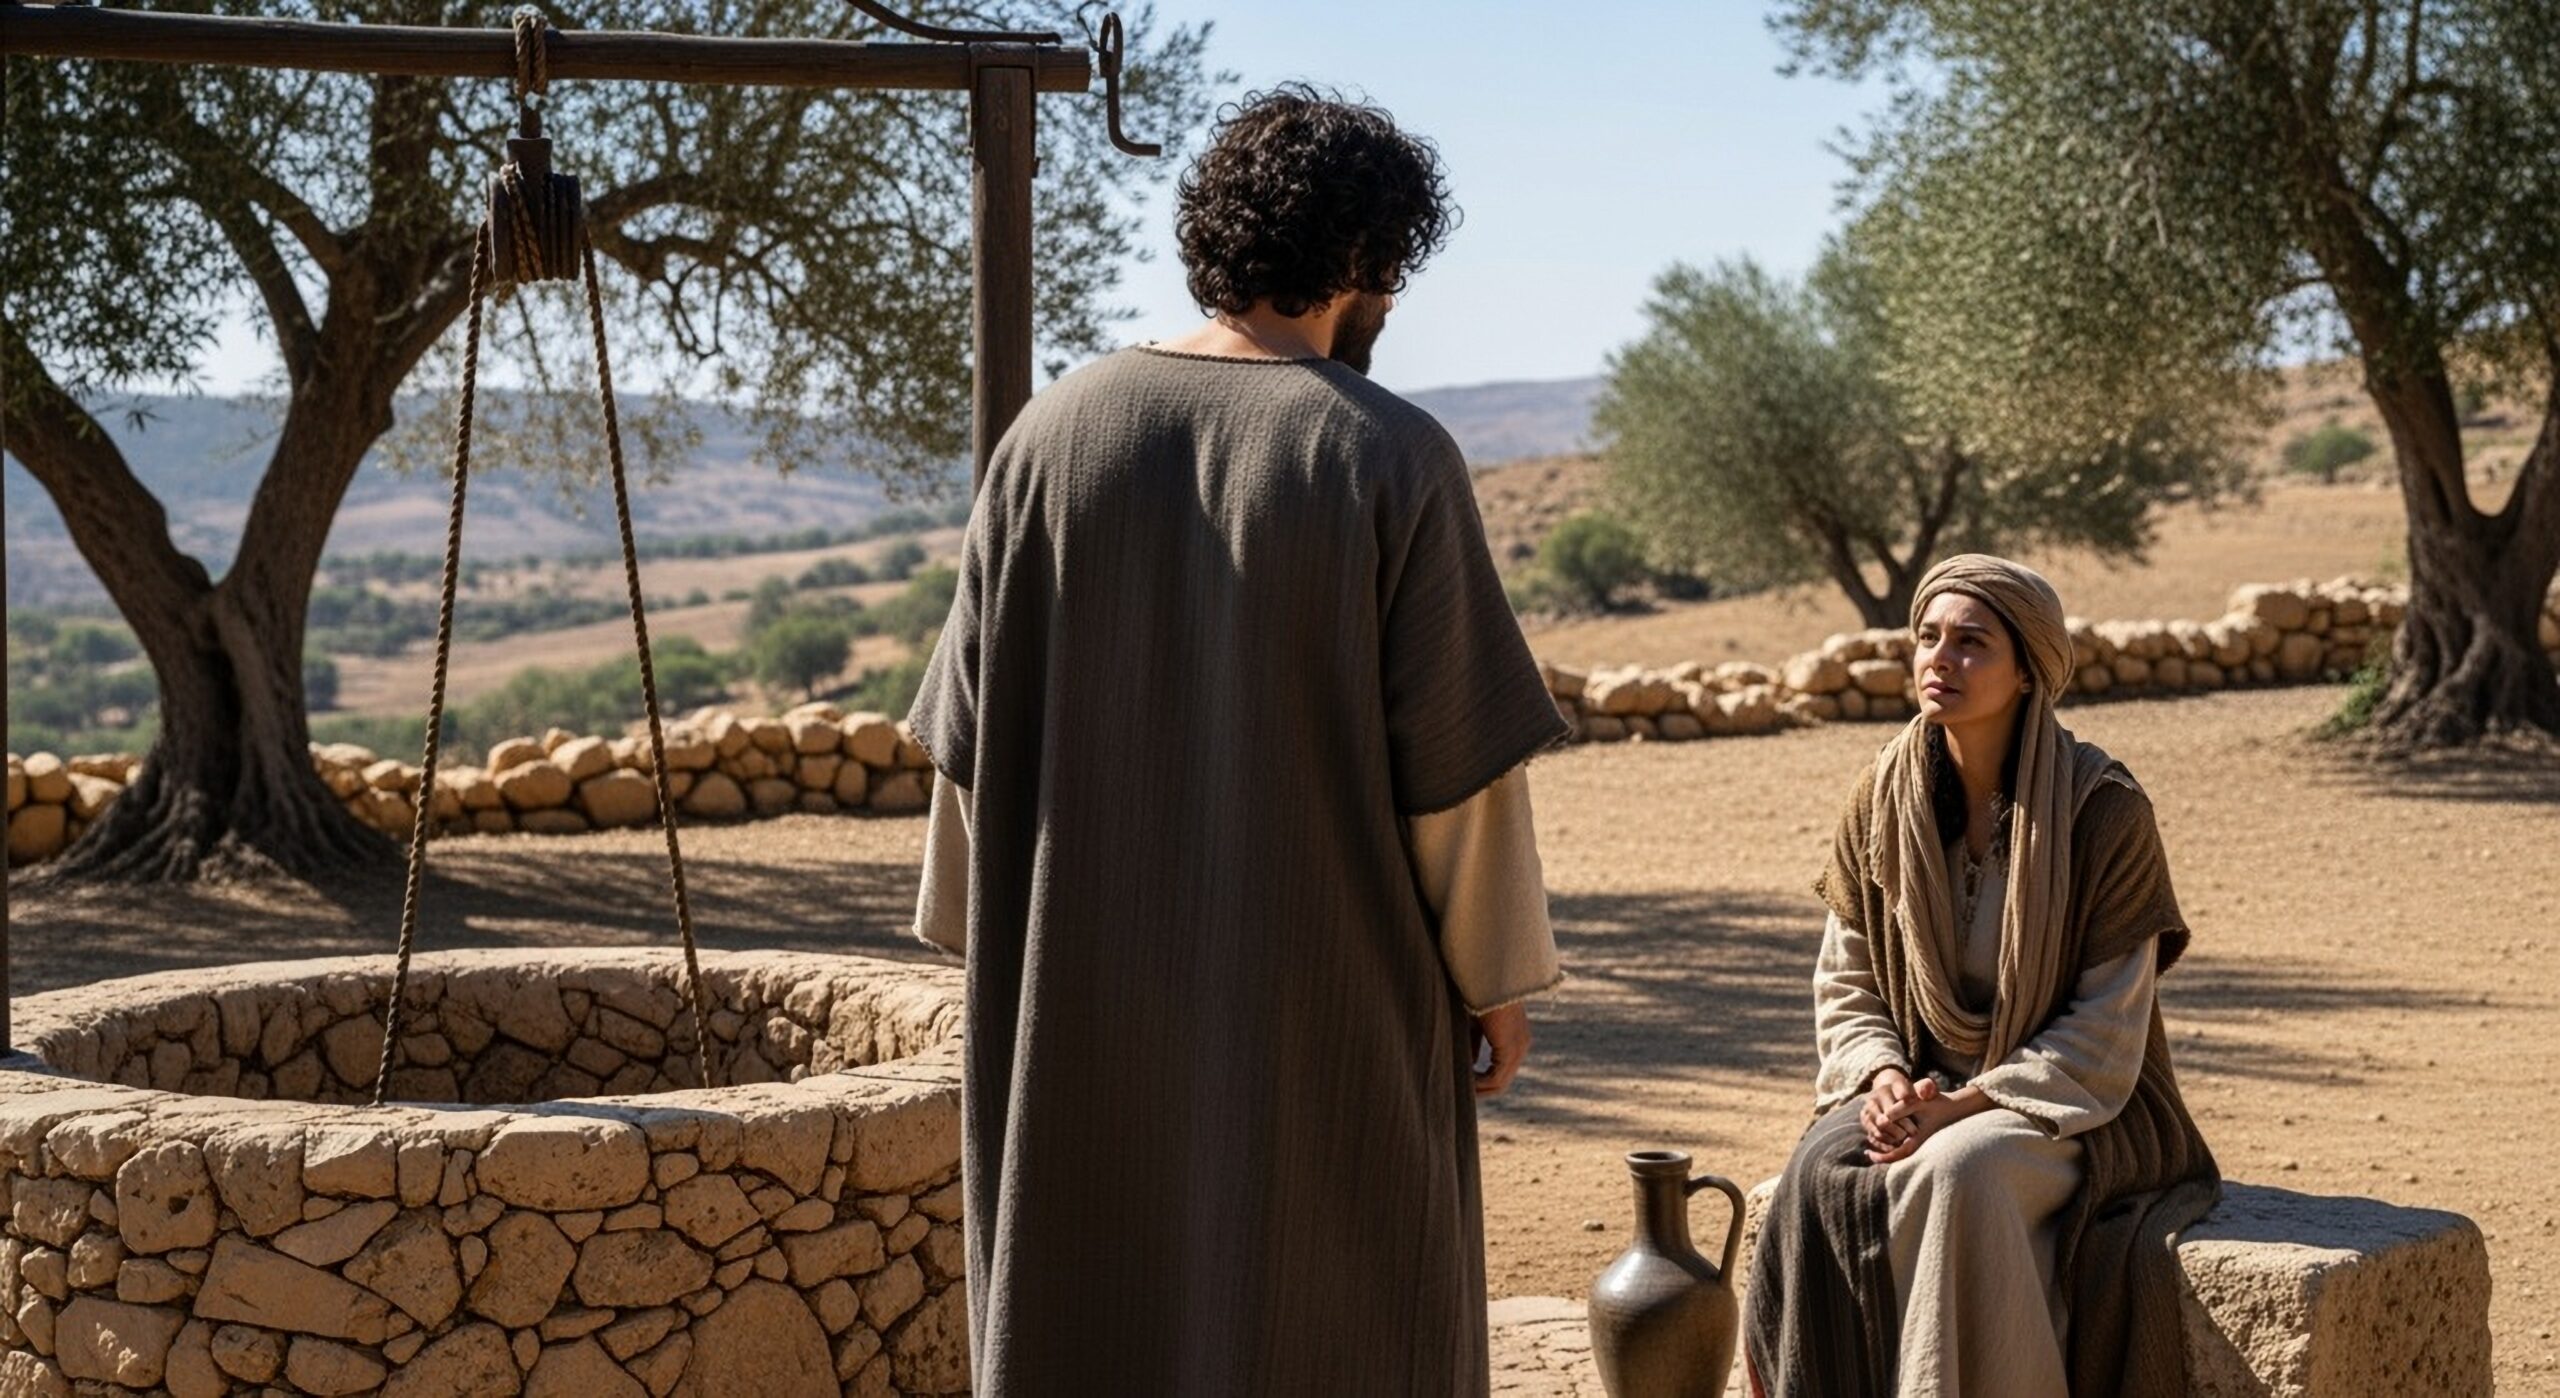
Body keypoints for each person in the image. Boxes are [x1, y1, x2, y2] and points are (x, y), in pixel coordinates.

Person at [905, 84, 1572, 1395]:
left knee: (1093, 1307)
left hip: (1083, 1011)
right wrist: (1496, 977)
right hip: (1327, 1018)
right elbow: (1460, 786)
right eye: (1393, 271)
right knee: (1346, 1305)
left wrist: (1005, 957)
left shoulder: (1049, 438)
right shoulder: (1388, 453)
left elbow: (969, 763)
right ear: (1362, 258)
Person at [1743, 555, 2220, 1398]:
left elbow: (2109, 1026)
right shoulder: (1880, 796)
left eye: (1971, 643)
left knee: (1959, 1170)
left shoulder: (2102, 811)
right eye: (1928, 638)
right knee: (1820, 1174)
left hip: (2077, 1109)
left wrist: (1963, 1104)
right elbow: (1846, 979)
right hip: (1919, 1087)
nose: (1939, 660)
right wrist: (1885, 1080)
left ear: (2029, 669)